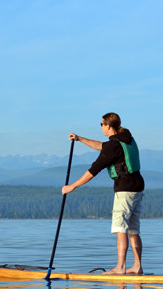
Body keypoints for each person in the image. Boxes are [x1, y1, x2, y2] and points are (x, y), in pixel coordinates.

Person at [62, 112, 145, 275]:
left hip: (124, 189)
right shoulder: (126, 137)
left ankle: (120, 267)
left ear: (108, 126)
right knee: (133, 230)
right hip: (138, 187)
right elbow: (102, 146)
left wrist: (72, 186)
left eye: (101, 124)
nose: (100, 127)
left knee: (120, 228)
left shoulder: (114, 145)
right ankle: (137, 266)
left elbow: (94, 170)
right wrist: (80, 139)